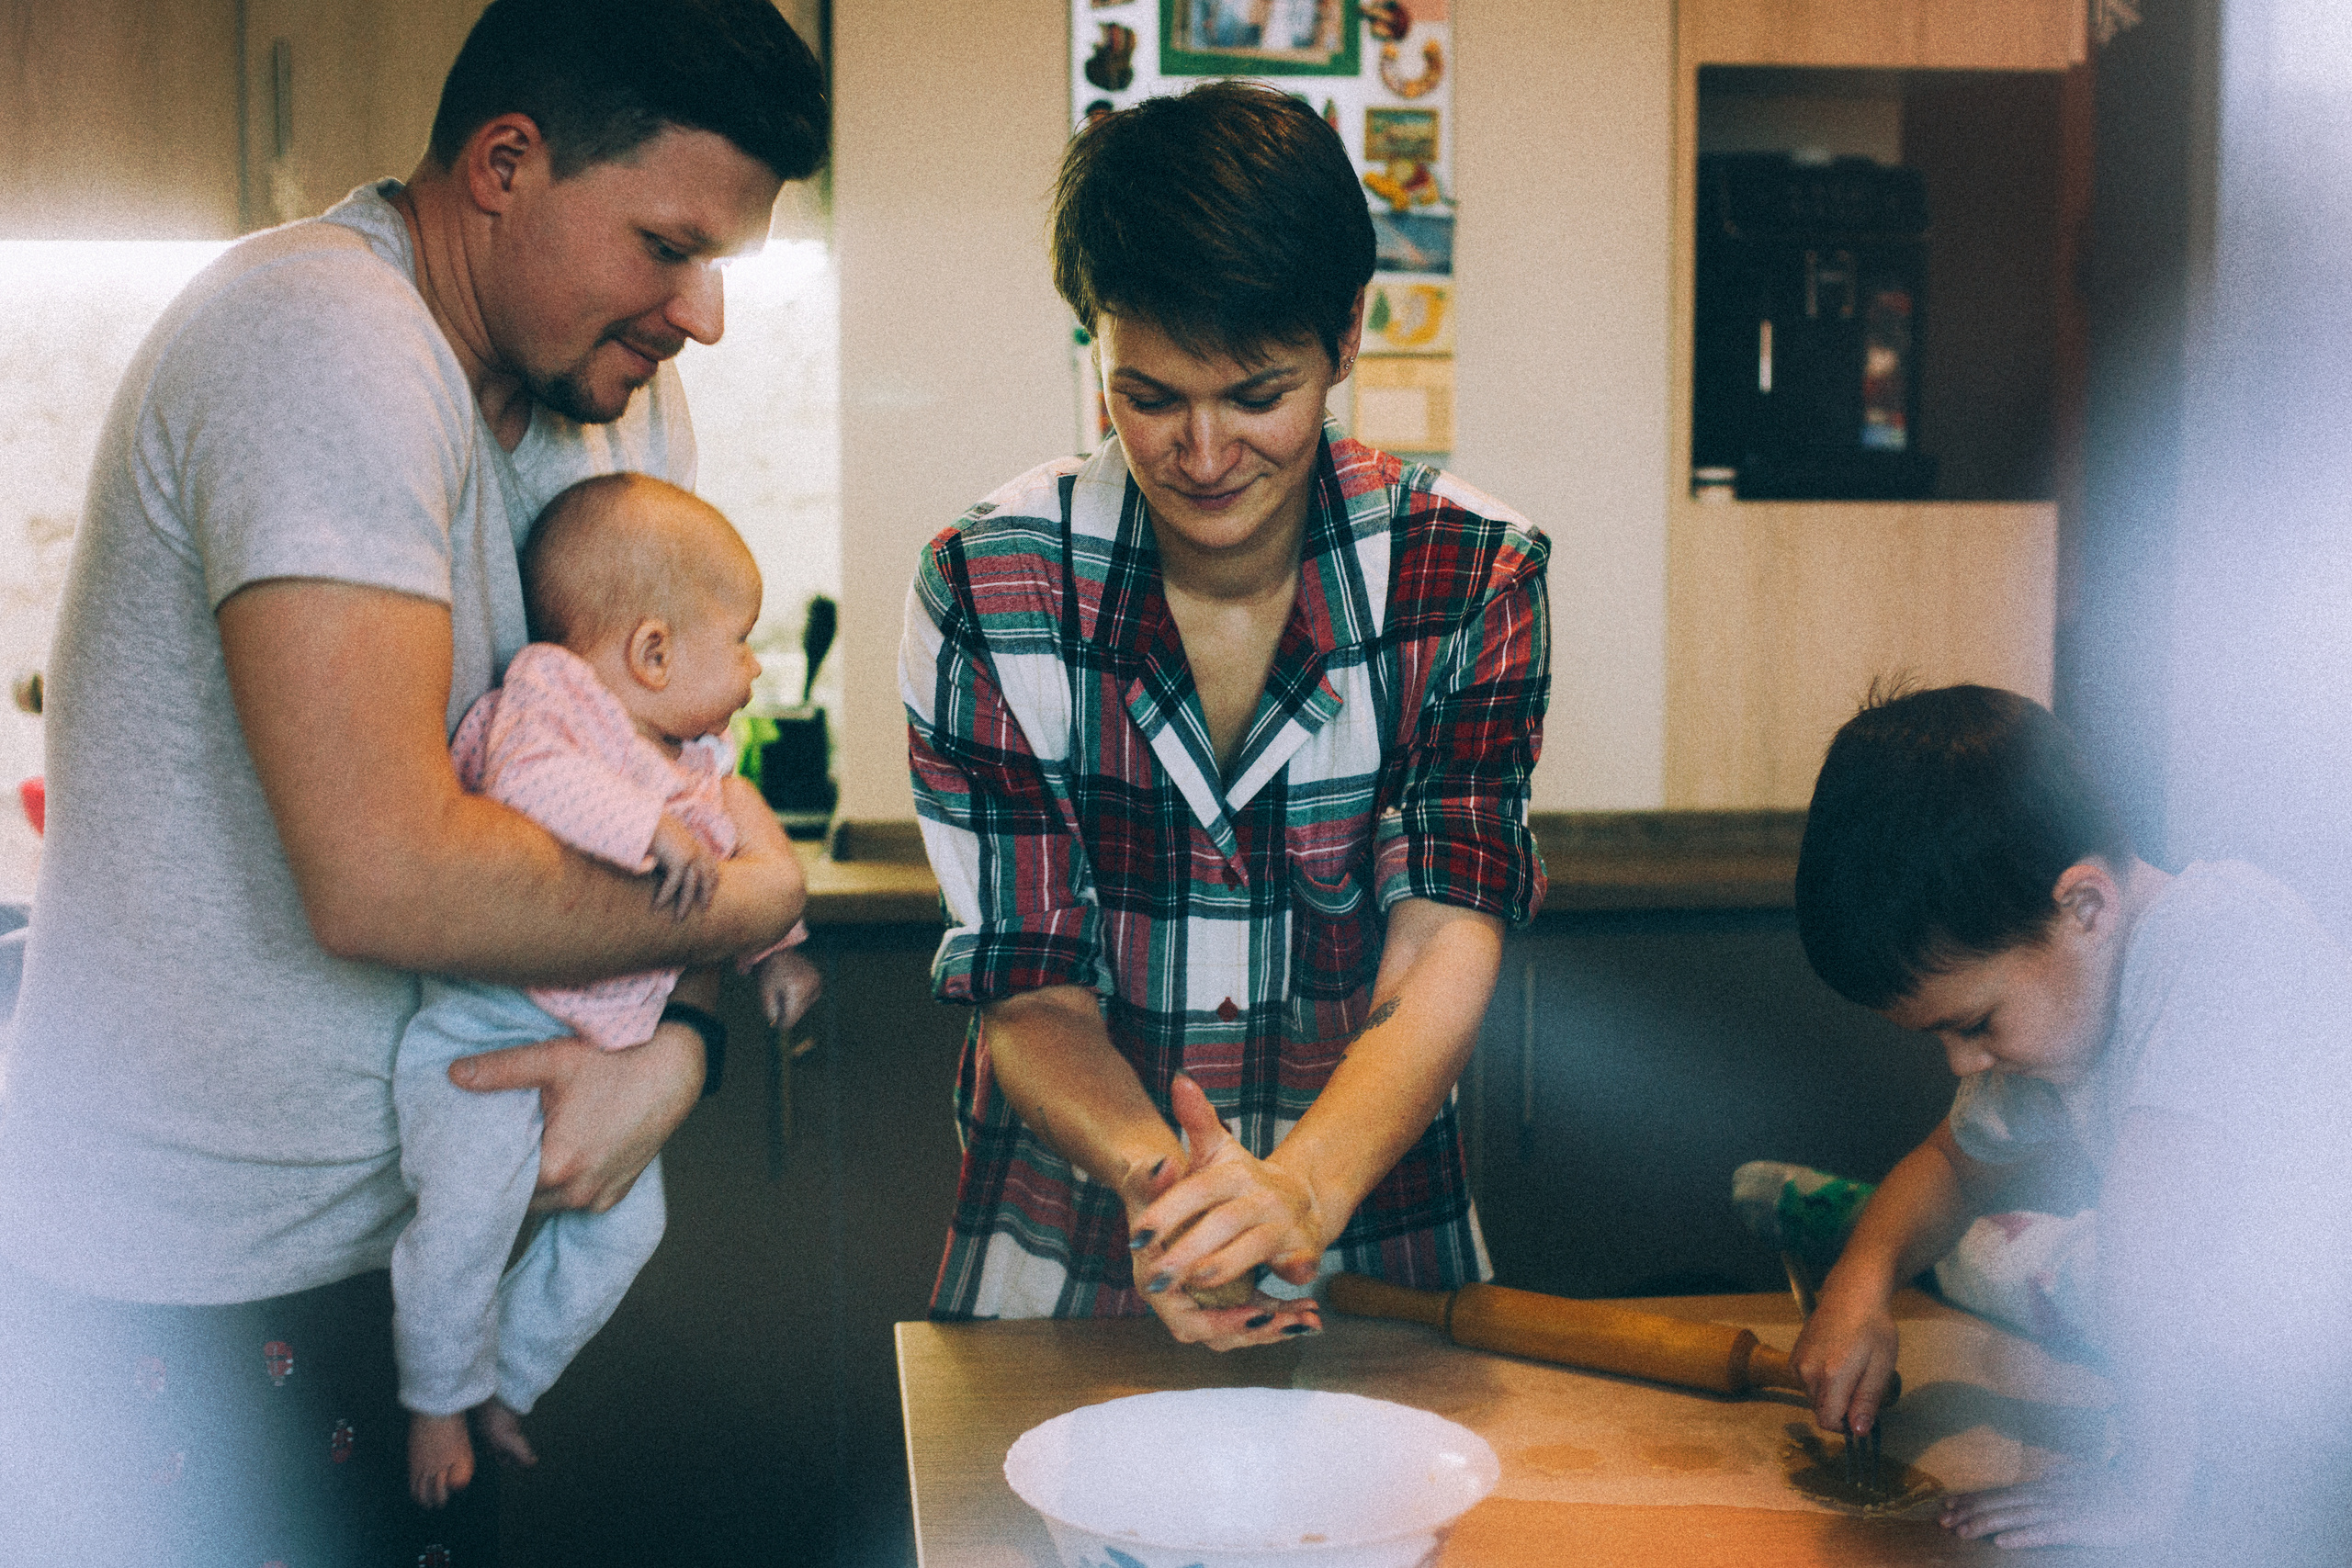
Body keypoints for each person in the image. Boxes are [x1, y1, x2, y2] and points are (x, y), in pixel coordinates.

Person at [0, 2, 825, 1562]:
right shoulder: (322, 338)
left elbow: (673, 770)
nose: (703, 315)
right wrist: (749, 903)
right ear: (505, 164)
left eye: (720, 260)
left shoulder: (620, 406)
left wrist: (686, 1043)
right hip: (191, 1275)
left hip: (428, 1245)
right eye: (668, 246)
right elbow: (388, 870)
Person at [901, 81, 1550, 1351]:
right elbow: (1029, 984)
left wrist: (1299, 1189)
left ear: (1346, 335)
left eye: (1256, 395)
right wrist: (1176, 1200)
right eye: (1148, 397)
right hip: (1073, 1245)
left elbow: (1440, 934)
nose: (1202, 455)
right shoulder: (988, 580)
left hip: (1375, 1237)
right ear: (1094, 343)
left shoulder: (1470, 572)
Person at [1787, 684, 2352, 1560]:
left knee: (2090, 1262)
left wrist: (2145, 1484)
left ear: (2085, 907)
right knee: (2048, 1260)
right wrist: (1860, 1281)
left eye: (1975, 1024)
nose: (1963, 1063)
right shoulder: (2065, 1013)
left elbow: (2151, 1250)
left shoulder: (2223, 938)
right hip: (2250, 1363)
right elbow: (1951, 1165)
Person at [400, 472, 821, 1508]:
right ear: (652, 653)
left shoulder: (695, 755)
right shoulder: (554, 699)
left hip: (600, 1038)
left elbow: (739, 862)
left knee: (629, 1228)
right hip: (482, 1028)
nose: (754, 667)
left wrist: (777, 951)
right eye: (741, 642)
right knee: (464, 1218)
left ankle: (504, 1382)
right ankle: (435, 1399)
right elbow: (526, 783)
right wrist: (648, 832)